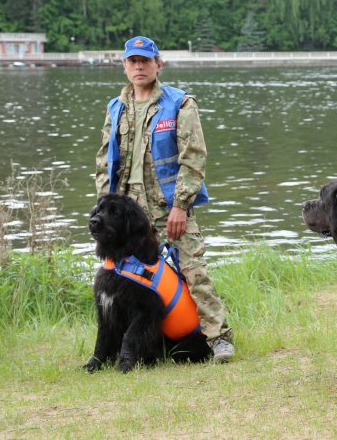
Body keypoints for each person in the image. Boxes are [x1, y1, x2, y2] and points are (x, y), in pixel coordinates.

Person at [95, 35, 234, 362]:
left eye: (146, 60)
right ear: (125, 67)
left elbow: (194, 159)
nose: (139, 66)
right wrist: (104, 207)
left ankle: (219, 339)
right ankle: (120, 348)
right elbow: (104, 161)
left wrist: (180, 206)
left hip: (170, 210)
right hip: (128, 217)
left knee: (194, 272)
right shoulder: (116, 108)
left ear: (159, 64)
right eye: (133, 61)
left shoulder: (179, 103)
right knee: (119, 279)